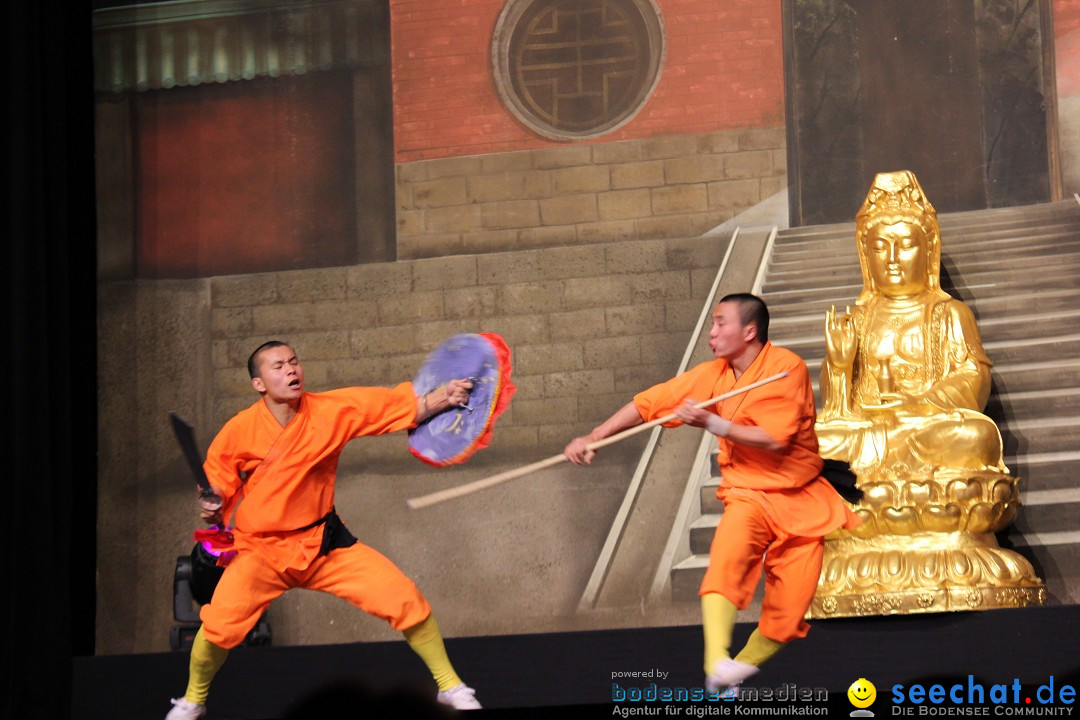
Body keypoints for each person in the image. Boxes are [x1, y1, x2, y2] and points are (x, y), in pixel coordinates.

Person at [165, 341, 482, 719]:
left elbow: (399, 408)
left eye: (294, 362)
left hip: (323, 544)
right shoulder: (239, 430)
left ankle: (451, 687)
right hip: (260, 552)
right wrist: (212, 504)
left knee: (403, 598)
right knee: (218, 627)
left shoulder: (332, 411)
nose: (291, 370)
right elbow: (217, 484)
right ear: (259, 384)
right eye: (278, 366)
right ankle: (192, 701)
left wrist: (445, 396)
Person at [564, 294, 859, 690]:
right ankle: (716, 660)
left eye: (721, 323)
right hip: (748, 493)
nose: (712, 332)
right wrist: (595, 436)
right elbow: (648, 403)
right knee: (726, 562)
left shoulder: (786, 368)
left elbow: (773, 440)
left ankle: (734, 669)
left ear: (749, 331)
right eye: (713, 324)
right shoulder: (712, 375)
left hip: (801, 496)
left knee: (790, 612)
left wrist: (711, 423)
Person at [815, 169, 1006, 482]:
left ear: (928, 252)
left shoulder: (951, 314)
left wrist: (920, 404)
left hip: (925, 427)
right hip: (868, 432)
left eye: (904, 245)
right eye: (879, 248)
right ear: (865, 255)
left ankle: (869, 491)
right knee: (815, 441)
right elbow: (838, 412)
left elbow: (975, 379)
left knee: (976, 435)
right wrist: (839, 368)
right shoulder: (857, 320)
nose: (891, 258)